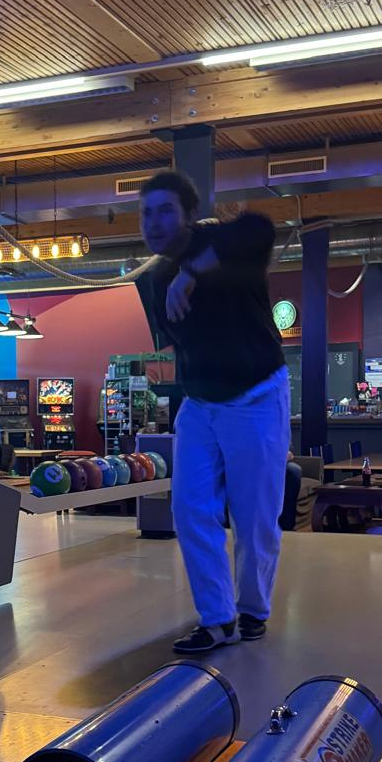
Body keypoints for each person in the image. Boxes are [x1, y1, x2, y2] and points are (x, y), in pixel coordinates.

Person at [134, 171, 289, 651]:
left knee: (254, 516)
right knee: (189, 507)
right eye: (146, 213)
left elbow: (261, 228)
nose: (154, 222)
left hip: (257, 395)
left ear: (188, 214)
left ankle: (252, 610)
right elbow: (183, 343)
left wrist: (193, 272)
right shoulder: (155, 279)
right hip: (201, 404)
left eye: (165, 210)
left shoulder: (224, 244)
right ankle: (218, 618)